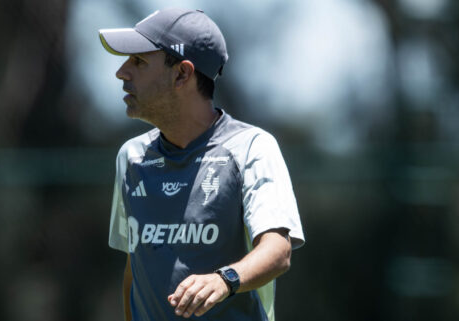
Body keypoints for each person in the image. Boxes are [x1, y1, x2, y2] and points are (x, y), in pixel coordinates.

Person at [99, 7, 305, 321]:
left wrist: (225, 280)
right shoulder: (132, 157)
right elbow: (135, 271)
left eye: (138, 61)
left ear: (182, 73)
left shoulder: (251, 148)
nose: (121, 72)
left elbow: (278, 251)